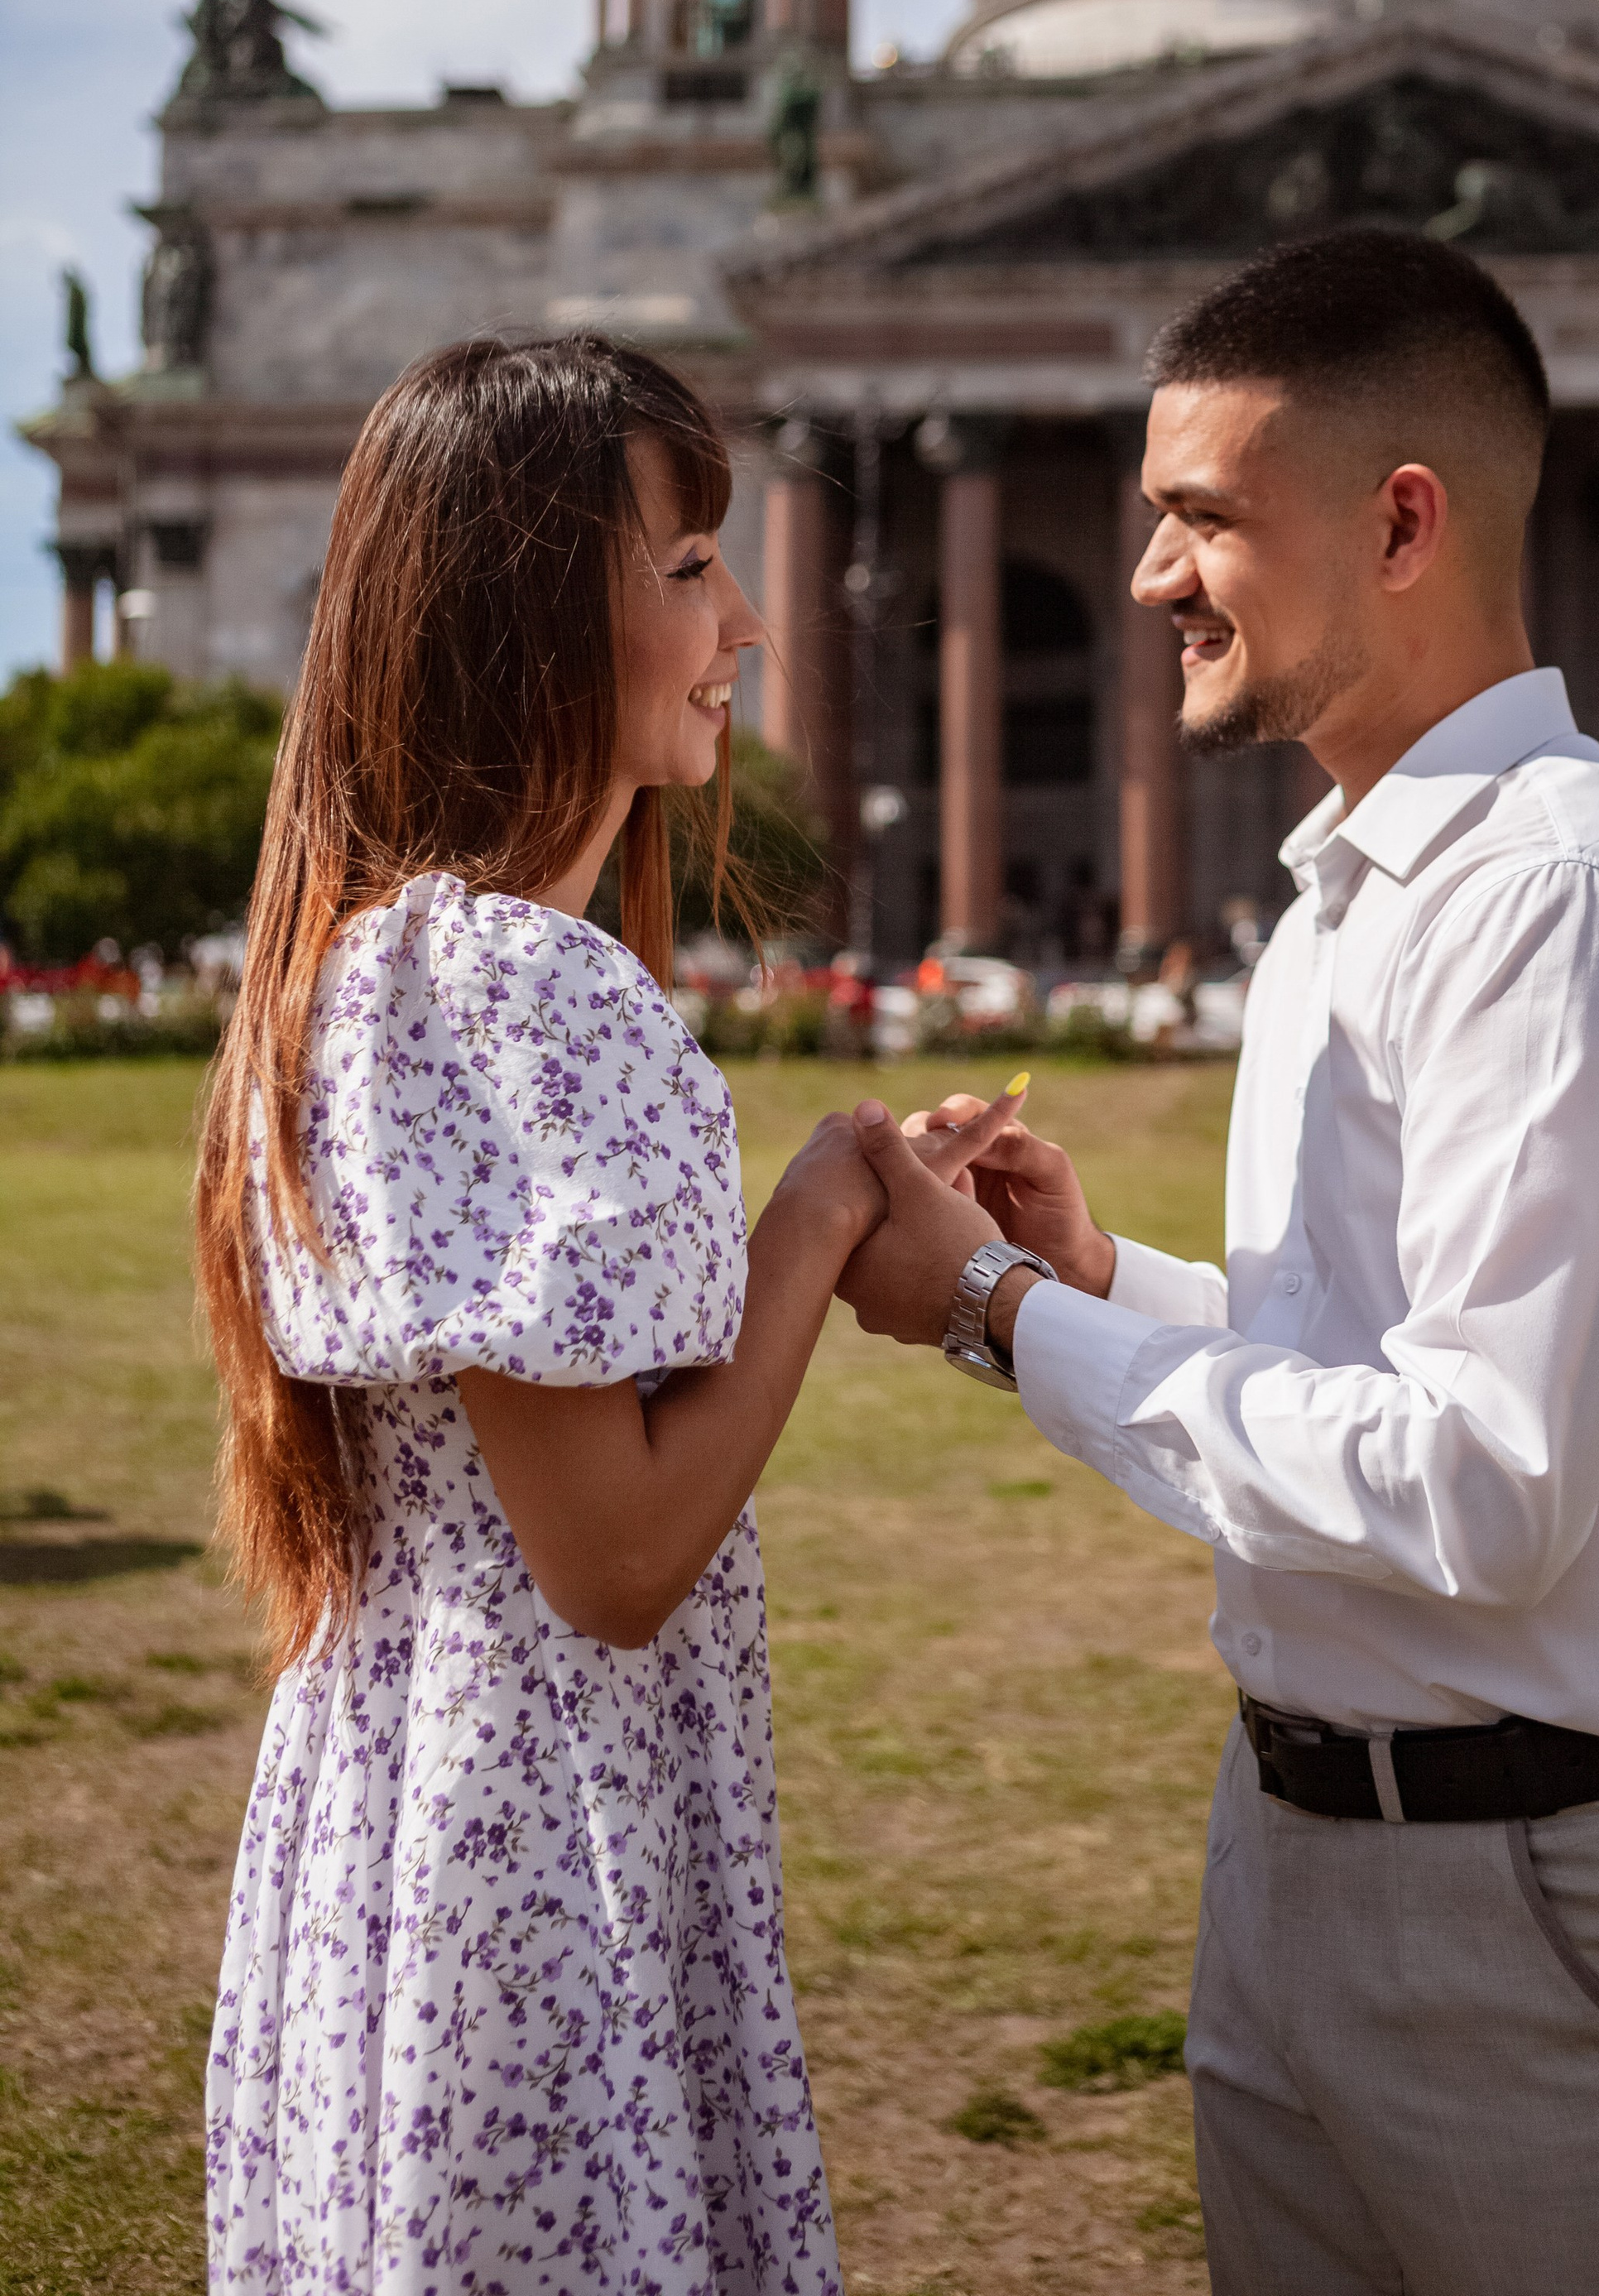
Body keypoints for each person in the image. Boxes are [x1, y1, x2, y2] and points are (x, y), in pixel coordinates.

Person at [837, 228, 1599, 2294]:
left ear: (1400, 523)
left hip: (1555, 1920)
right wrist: (1089, 1274)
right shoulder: (1350, 897)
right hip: (1301, 1865)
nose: (1147, 581)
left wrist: (988, 1313)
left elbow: (1475, 1485)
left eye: (1199, 517)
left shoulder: (1558, 899)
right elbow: (1375, 1364)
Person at [193, 334, 1022, 2296]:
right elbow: (619, 1554)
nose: (744, 618)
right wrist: (823, 1213)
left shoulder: (367, 964)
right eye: (685, 571)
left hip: (390, 1827)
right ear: (520, 618)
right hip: (536, 1853)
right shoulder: (531, 989)